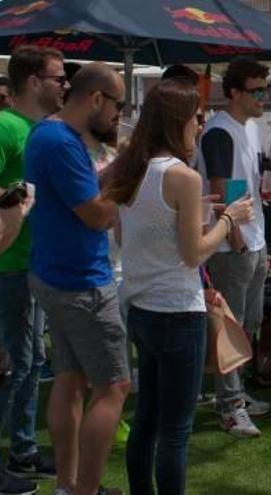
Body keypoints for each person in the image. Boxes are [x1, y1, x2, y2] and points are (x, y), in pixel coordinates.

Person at [102, 79, 254, 495]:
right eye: (196, 118)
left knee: (147, 420)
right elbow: (194, 254)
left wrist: (197, 217)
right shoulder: (182, 177)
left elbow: (123, 238)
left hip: (140, 309)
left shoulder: (129, 171)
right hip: (176, 311)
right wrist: (228, 219)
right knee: (175, 430)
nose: (200, 126)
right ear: (179, 122)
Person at [25, 62, 130, 495]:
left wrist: (115, 169)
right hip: (81, 282)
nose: (117, 116)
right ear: (96, 99)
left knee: (70, 380)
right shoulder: (62, 144)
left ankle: (68, 486)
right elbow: (97, 215)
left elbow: (82, 191)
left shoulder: (49, 135)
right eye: (117, 106)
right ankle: (83, 490)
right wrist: (129, 179)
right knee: (114, 387)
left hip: (54, 274)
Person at [0, 45, 69, 494]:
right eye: (57, 77)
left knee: (31, 362)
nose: (65, 85)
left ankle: (22, 450)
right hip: (9, 266)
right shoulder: (7, 126)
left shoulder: (39, 129)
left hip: (33, 265)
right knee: (14, 365)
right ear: (32, 82)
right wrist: (14, 199)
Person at [194, 57, 271, 437]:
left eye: (265, 89)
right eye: (257, 91)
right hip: (232, 246)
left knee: (248, 324)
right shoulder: (218, 131)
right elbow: (220, 188)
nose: (263, 97)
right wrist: (236, 237)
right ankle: (230, 406)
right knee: (230, 327)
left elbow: (247, 184)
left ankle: (236, 394)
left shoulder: (250, 128)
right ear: (235, 93)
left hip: (252, 239)